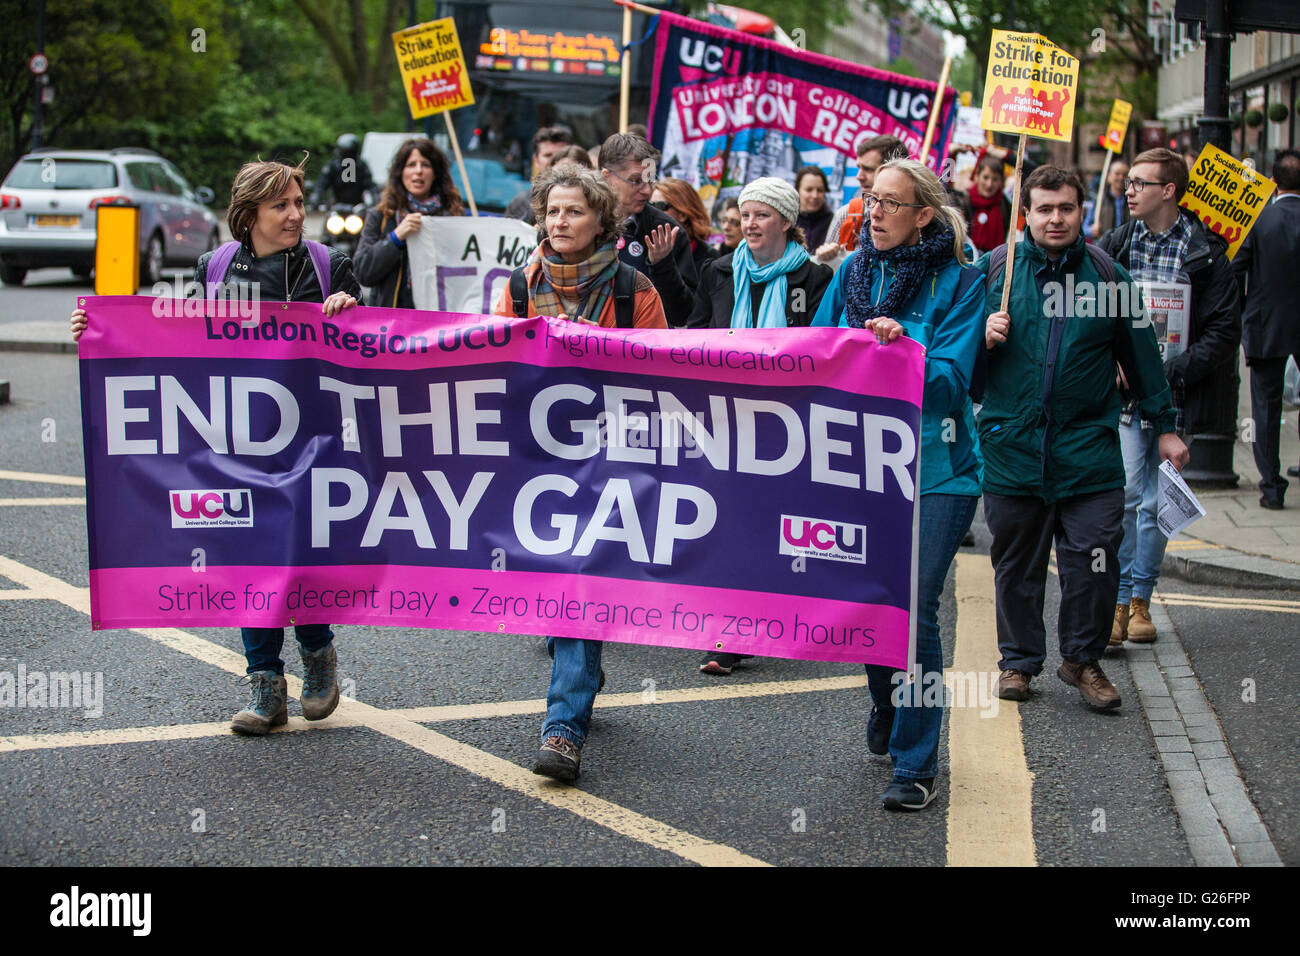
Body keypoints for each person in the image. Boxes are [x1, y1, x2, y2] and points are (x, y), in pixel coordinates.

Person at [72, 156, 361, 734]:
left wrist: (351, 311)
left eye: (299, 203)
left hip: (313, 443)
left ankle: (318, 654)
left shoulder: (332, 265)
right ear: (249, 213)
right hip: (236, 445)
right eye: (282, 205)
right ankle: (265, 687)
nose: (296, 215)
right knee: (251, 561)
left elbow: (376, 349)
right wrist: (98, 332)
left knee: (303, 556)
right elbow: (171, 340)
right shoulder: (215, 268)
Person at [979, 165, 1188, 710]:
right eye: (1044, 209)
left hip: (1090, 451)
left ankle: (1081, 659)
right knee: (1017, 566)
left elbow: (1143, 358)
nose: (1055, 218)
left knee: (1095, 555)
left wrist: (1164, 427)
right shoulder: (993, 271)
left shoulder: (1107, 275)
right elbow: (956, 365)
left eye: (1066, 208)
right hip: (1011, 449)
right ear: (1026, 213)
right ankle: (1019, 663)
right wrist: (983, 339)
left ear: (1081, 213)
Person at [811, 158, 985, 811]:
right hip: (859, 465)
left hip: (939, 470)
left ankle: (915, 763)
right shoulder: (851, 275)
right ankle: (887, 699)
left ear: (924, 215)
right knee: (873, 601)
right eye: (870, 199)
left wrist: (897, 348)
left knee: (915, 610)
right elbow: (816, 357)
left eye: (890, 202)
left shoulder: (962, 282)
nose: (875, 212)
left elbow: (949, 383)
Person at [491, 165, 667, 783]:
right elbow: (494, 369)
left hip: (609, 458)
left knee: (578, 580)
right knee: (563, 583)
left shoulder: (632, 289)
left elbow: (661, 377)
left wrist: (603, 355)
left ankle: (563, 728)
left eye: (573, 212)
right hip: (538, 461)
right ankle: (583, 671)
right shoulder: (516, 286)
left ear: (601, 221)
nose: (559, 222)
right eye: (552, 212)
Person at [685, 177, 831, 675]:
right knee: (726, 521)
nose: (749, 223)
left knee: (768, 525)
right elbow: (696, 334)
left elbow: (825, 348)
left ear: (786, 222)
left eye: (762, 214)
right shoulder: (718, 271)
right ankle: (727, 633)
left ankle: (762, 617)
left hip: (784, 423)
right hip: (723, 417)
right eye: (745, 214)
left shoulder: (813, 280)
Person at [1097, 148, 1240, 644]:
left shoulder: (1205, 254)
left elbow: (1223, 332)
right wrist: (1111, 358)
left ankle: (1140, 601)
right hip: (1121, 398)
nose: (1128, 189)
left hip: (1175, 398)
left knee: (1156, 503)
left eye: (1139, 182)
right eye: (1128, 181)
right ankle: (1115, 602)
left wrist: (1169, 371)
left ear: (1168, 191)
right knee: (1125, 496)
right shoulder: (1114, 245)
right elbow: (1086, 310)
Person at [1233, 148, 1300, 505]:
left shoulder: (1259, 221)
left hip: (1265, 326)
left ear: (1273, 182)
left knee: (1265, 409)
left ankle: (1271, 488)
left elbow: (1234, 270)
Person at [599, 133, 699, 326]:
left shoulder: (666, 230)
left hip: (645, 347)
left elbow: (684, 314)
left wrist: (662, 265)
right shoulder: (581, 221)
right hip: (588, 342)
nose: (646, 190)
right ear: (607, 177)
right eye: (636, 180)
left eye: (650, 180)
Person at [353, 138, 463, 309]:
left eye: (425, 165)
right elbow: (363, 272)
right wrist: (396, 238)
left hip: (439, 323)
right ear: (400, 172)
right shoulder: (381, 216)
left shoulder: (453, 217)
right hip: (392, 325)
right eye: (411, 164)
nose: (418, 171)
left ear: (435, 173)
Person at [815, 135, 908, 266]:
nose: (859, 176)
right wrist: (826, 255)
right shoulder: (846, 215)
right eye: (859, 167)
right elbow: (824, 273)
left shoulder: (914, 217)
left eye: (868, 169)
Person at [651, 177, 720, 279]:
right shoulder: (640, 247)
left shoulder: (709, 259)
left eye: (660, 206)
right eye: (649, 205)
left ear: (683, 214)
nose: (652, 212)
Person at [505, 125, 576, 223]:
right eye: (548, 155)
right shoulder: (520, 203)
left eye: (561, 155)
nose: (554, 161)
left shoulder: (586, 201)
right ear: (536, 160)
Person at [951, 153, 1013, 255]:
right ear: (977, 176)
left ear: (1001, 181)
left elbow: (1028, 172)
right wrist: (952, 153)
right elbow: (943, 185)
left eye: (995, 179)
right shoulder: (962, 201)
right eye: (985, 177)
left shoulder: (1006, 206)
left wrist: (1007, 155)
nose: (989, 184)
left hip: (993, 264)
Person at [309, 133, 376, 208]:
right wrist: (315, 196)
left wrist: (376, 199)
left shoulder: (361, 166)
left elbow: (370, 186)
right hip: (336, 207)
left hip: (357, 208)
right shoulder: (333, 166)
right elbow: (321, 183)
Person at [1085, 158, 1130, 239]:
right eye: (1117, 174)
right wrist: (1091, 230)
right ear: (1109, 176)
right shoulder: (1098, 201)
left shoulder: (1132, 200)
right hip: (1104, 247)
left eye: (1125, 174)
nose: (1121, 178)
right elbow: (1084, 228)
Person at [794, 165, 833, 250]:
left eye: (820, 190)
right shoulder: (787, 222)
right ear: (797, 190)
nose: (815, 196)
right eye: (809, 190)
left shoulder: (833, 223)